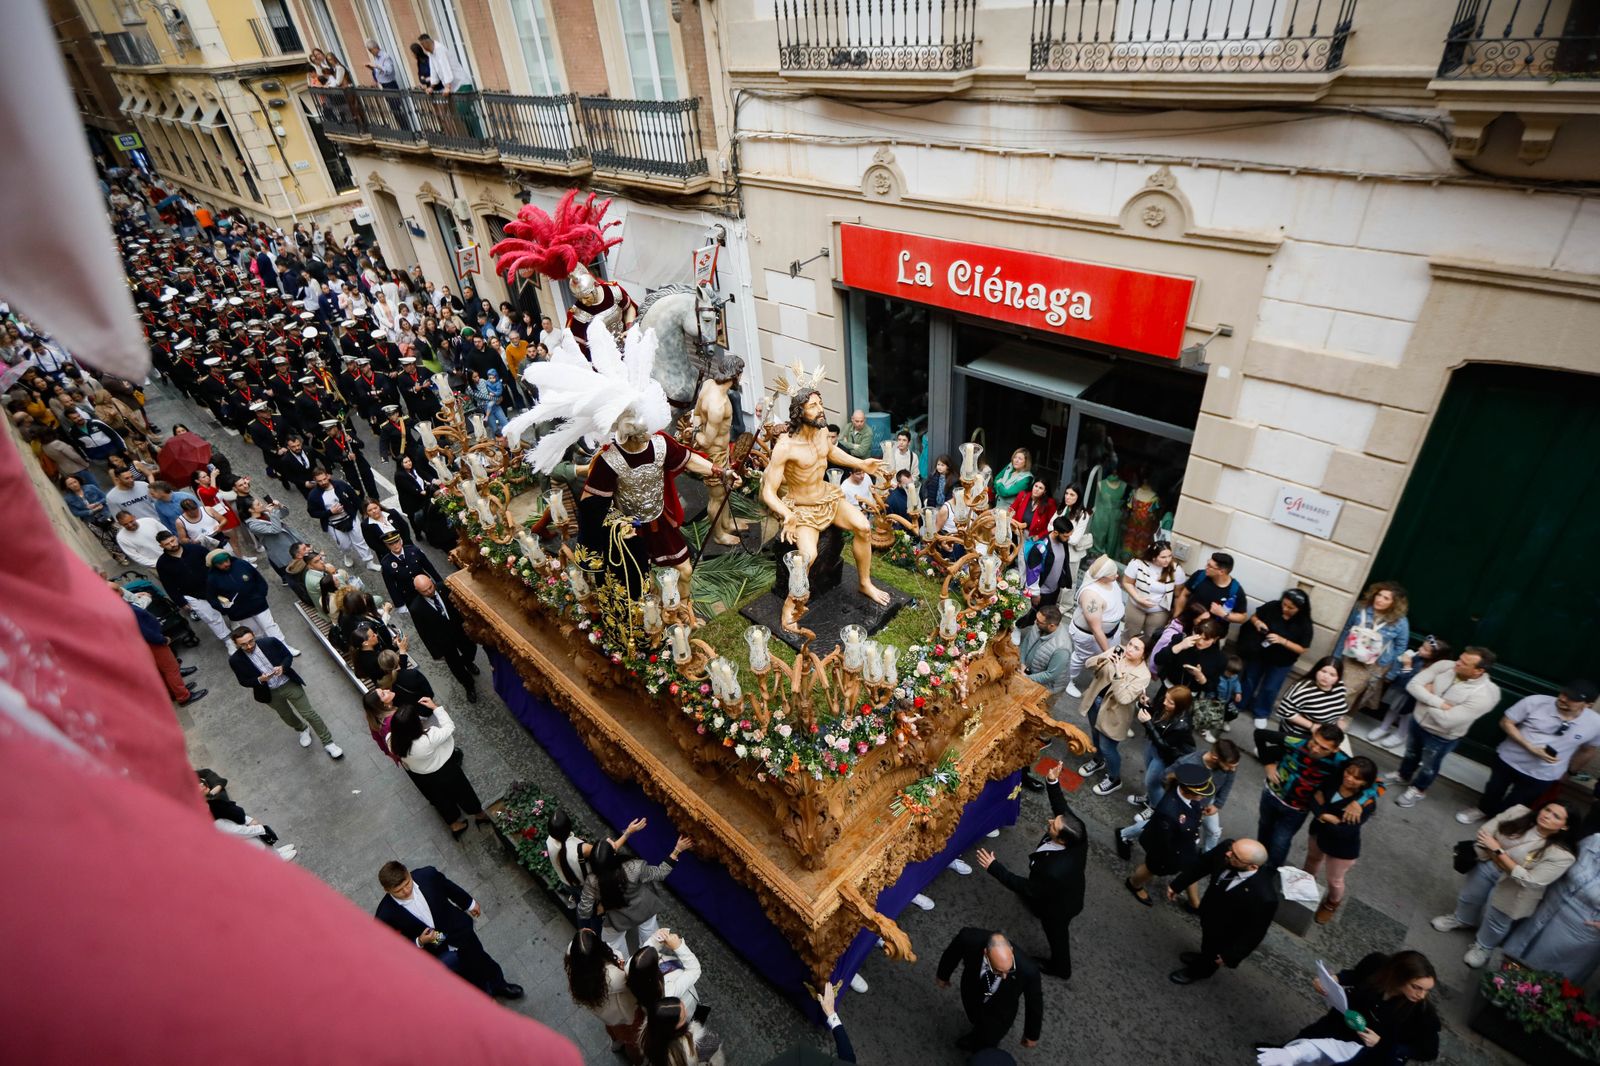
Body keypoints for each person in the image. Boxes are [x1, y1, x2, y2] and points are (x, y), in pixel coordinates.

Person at [1432, 801, 1577, 968]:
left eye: (1556, 816)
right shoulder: (1518, 812)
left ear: (1565, 826)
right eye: (1547, 809)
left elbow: (1529, 880)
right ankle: (1462, 919)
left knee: (1498, 918)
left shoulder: (1562, 855)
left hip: (1517, 887)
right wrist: (1506, 862)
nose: (1547, 815)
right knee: (1469, 896)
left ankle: (1483, 946)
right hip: (1488, 865)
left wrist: (1497, 850)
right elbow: (1485, 833)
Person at [974, 764, 1086, 979]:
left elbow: (1027, 887)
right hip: (1054, 891)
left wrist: (994, 867)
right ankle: (1036, 908)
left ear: (1061, 840)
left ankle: (1061, 968)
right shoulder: (1077, 833)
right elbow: (1061, 808)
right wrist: (1052, 781)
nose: (1050, 821)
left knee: (1056, 934)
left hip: (1058, 907)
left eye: (1053, 826)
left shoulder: (1055, 870)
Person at [1455, 680, 1599, 825]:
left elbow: (1588, 750)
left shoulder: (1595, 723)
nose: (1563, 698)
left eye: (1572, 699)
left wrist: (1570, 772)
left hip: (1545, 773)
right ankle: (1483, 810)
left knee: (1519, 802)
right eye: (1563, 693)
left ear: (1588, 705)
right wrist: (1529, 746)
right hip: (1509, 759)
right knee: (1494, 789)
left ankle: (1500, 824)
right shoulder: (1534, 702)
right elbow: (1506, 722)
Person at [375, 861, 524, 999]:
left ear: (408, 874)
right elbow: (390, 946)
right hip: (437, 949)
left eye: (407, 884)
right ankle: (482, 998)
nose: (406, 891)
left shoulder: (428, 875)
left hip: (457, 930)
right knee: (461, 977)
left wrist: (469, 904)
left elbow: (449, 888)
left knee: (481, 959)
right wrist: (419, 941)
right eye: (399, 890)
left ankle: (500, 985)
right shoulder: (385, 915)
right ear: (387, 890)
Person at [1266, 951, 1441, 1066]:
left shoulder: (1422, 1012)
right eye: (1417, 987)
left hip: (1371, 1051)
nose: (1421, 995)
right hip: (1344, 1021)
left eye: (1426, 990)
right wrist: (1335, 979)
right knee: (1310, 1036)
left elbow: (1429, 1051)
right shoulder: (1376, 964)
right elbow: (1356, 975)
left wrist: (1382, 1043)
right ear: (1397, 976)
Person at [1386, 647, 1501, 809]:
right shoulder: (1445, 665)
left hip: (1440, 736)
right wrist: (1440, 703)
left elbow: (1448, 721)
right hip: (1417, 722)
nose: (1457, 663)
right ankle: (1403, 775)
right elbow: (1412, 685)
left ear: (1478, 671)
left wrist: (1425, 696)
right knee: (1410, 754)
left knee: (1428, 766)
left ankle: (1419, 789)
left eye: (1464, 663)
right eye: (1460, 658)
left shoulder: (1486, 694)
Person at [1165, 838, 1279, 985]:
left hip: (1227, 930)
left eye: (1235, 857)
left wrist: (1230, 956)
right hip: (1209, 910)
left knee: (1213, 951)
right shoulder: (1227, 850)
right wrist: (1177, 885)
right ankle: (1204, 957)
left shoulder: (1264, 896)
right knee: (1207, 943)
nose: (1228, 853)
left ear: (1252, 867)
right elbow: (1201, 865)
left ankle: (1200, 971)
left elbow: (1255, 932)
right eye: (1232, 849)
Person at [1259, 724, 1367, 868]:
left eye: (1324, 748)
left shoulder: (1342, 761)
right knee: (1264, 827)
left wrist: (1359, 801)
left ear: (1335, 749)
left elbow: (1376, 782)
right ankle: (1257, 860)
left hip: (1297, 809)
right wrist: (1268, 764)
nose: (1315, 749)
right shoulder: (1296, 741)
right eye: (1315, 742)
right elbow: (1259, 734)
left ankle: (1269, 871)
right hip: (1270, 795)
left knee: (1281, 841)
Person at [1503, 828, 1600, 984]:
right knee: (1517, 951)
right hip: (1550, 903)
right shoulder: (1595, 840)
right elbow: (1568, 860)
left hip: (1581, 928)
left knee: (1546, 979)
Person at [227, 628, 341, 759]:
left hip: (288, 683)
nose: (249, 646)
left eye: (251, 641)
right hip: (269, 693)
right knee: (286, 716)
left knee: (309, 713)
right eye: (243, 644)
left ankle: (328, 742)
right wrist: (259, 680)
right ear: (236, 644)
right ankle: (302, 729)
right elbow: (243, 681)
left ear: (254, 635)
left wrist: (282, 667)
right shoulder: (235, 660)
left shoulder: (270, 642)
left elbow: (287, 656)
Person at [579, 830, 694, 957]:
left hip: (617, 920)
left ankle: (624, 966)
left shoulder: (592, 881)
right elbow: (660, 873)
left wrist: (600, 908)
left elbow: (584, 912)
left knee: (613, 948)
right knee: (651, 943)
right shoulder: (634, 867)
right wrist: (677, 849)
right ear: (614, 855)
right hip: (644, 910)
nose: (610, 840)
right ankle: (646, 959)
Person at [387, 699, 489, 838]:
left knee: (441, 800)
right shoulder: (429, 738)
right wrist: (436, 708)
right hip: (446, 770)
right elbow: (449, 727)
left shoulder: (391, 740)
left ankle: (454, 824)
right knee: (464, 793)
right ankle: (479, 815)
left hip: (423, 777)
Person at [1123, 760, 1213, 909]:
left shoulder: (1186, 796)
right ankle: (1134, 884)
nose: (1202, 797)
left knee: (1192, 869)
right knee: (1152, 868)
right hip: (1168, 852)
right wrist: (1170, 860)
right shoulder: (1169, 812)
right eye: (1200, 794)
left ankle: (1194, 903)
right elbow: (1163, 842)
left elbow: (1190, 814)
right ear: (1187, 791)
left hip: (1184, 845)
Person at [933, 928, 1043, 1051]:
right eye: (998, 970)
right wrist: (943, 975)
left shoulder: (1029, 970)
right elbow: (952, 954)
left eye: (1008, 969)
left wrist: (1031, 1034)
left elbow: (1034, 1002)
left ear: (1011, 951)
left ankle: (982, 1049)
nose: (1004, 975)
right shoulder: (968, 939)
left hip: (1001, 1009)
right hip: (973, 989)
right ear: (986, 953)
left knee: (990, 1036)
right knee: (974, 1014)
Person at [1302, 756, 1380, 925]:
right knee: (1312, 860)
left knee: (1334, 880)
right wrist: (1326, 815)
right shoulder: (1333, 780)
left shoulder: (1366, 803)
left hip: (1342, 847)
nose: (1349, 778)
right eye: (1348, 772)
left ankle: (1331, 903)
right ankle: (1303, 887)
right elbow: (1312, 800)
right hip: (1318, 833)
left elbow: (1344, 831)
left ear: (1365, 784)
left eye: (1357, 778)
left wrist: (1323, 812)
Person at [1075, 636, 1150, 797]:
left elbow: (1124, 698)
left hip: (1115, 714)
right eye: (1130, 644)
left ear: (1144, 655)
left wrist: (1117, 671)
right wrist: (1102, 657)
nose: (1129, 649)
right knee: (1095, 734)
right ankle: (1097, 760)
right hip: (1095, 701)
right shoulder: (1118, 651)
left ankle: (1114, 778)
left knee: (1108, 747)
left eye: (1136, 648)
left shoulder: (1143, 675)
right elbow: (1088, 664)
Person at [567, 928, 644, 1064]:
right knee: (633, 1041)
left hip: (603, 1012)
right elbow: (630, 978)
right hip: (623, 1015)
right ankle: (636, 1061)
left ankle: (615, 1044)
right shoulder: (612, 976)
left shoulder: (574, 962)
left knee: (612, 1029)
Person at [1240, 589, 1315, 728]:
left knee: (1270, 688)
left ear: (1300, 608)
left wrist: (1282, 641)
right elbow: (1254, 617)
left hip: (1283, 660)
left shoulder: (1305, 623)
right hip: (1260, 652)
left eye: (1290, 608)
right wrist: (1258, 623)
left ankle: (1261, 713)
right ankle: (1240, 703)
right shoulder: (1273, 606)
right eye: (1284, 604)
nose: (1285, 608)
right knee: (1249, 679)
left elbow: (1303, 648)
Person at [1334, 581, 1411, 714]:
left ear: (1395, 603)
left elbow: (1401, 647)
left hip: (1376, 664)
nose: (1379, 599)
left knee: (1359, 695)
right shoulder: (1360, 608)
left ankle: (1341, 720)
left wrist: (1392, 672)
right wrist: (1336, 655)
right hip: (1352, 657)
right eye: (1379, 595)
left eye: (1386, 598)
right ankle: (1332, 719)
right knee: (1345, 690)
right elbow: (1346, 630)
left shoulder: (1400, 621)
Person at [205, 550, 300, 655]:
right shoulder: (212, 578)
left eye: (226, 560)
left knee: (270, 626)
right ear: (214, 565)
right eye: (221, 563)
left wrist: (261, 595)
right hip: (239, 613)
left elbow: (258, 579)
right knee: (255, 633)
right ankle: (268, 651)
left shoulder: (241, 564)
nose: (226, 564)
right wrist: (226, 610)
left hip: (258, 604)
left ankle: (285, 648)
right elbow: (211, 598)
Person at [408, 574, 481, 702]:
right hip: (443, 640)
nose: (430, 591)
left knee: (470, 649)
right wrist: (435, 652)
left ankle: (468, 662)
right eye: (425, 591)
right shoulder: (416, 608)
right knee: (455, 666)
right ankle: (469, 686)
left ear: (431, 581)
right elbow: (423, 632)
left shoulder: (445, 587)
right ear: (417, 591)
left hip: (460, 631)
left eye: (430, 587)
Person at [1063, 555, 1124, 698]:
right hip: (1089, 636)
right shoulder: (1091, 596)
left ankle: (1102, 679)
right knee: (1080, 657)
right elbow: (1096, 629)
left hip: (1112, 632)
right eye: (1113, 574)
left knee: (1102, 659)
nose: (1117, 575)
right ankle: (1067, 680)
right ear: (1102, 577)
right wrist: (1108, 651)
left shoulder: (1111, 581)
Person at [154, 530, 231, 641]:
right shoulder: (162, 564)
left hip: (214, 587)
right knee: (212, 618)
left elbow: (213, 564)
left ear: (175, 537)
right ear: (161, 545)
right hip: (192, 595)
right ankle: (227, 640)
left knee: (229, 607)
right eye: (167, 544)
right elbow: (168, 585)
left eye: (172, 540)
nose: (172, 544)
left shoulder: (195, 549)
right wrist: (181, 602)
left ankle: (236, 625)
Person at [130, 599, 206, 706]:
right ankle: (183, 696)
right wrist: (162, 639)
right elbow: (146, 631)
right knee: (171, 668)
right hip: (152, 643)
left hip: (142, 644)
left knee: (162, 670)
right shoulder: (129, 610)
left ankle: (174, 692)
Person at [305, 467, 377, 571]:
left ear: (328, 476)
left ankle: (369, 562)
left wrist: (364, 513)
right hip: (334, 524)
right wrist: (330, 512)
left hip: (350, 518)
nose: (323, 482)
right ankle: (347, 555)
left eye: (324, 479)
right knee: (345, 545)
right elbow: (312, 512)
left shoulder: (340, 484)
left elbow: (355, 498)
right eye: (319, 481)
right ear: (315, 480)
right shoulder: (313, 495)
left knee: (360, 541)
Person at [626, 929, 703, 1023]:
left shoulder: (632, 966)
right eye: (657, 958)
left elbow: (645, 952)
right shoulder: (667, 991)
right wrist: (679, 947)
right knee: (690, 1018)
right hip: (684, 1006)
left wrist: (657, 939)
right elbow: (694, 970)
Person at [1171, 551, 1248, 639]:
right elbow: (1184, 594)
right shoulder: (1200, 576)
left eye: (1210, 566)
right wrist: (1176, 617)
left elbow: (1243, 617)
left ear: (1221, 572)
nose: (1206, 567)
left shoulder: (1235, 591)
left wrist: (1223, 614)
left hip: (1209, 636)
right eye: (1207, 563)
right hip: (1185, 625)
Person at [1120, 541, 1185, 644]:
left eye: (1169, 556)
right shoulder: (1137, 564)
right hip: (1136, 606)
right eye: (1163, 557)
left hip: (1159, 610)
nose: (1167, 560)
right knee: (1130, 635)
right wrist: (1137, 598)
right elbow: (1127, 582)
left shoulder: (1176, 570)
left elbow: (1178, 595)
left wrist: (1175, 616)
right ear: (1153, 557)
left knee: (1152, 638)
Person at [1273, 657, 1350, 742]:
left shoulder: (1340, 687)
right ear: (1316, 671)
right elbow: (1286, 712)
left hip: (1325, 735)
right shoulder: (1303, 689)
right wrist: (1312, 726)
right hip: (1299, 734)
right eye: (1323, 671)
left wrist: (1340, 720)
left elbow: (1339, 705)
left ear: (1337, 678)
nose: (1326, 676)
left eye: (1332, 675)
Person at [641, 998, 723, 1066]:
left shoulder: (647, 1033)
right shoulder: (695, 1046)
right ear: (673, 1028)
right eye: (683, 1018)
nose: (687, 1014)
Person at [1017, 605, 1073, 703]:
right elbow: (1026, 643)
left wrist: (1026, 678)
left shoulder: (1062, 648)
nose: (1035, 622)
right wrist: (1022, 663)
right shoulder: (1039, 625)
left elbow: (1050, 675)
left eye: (1039, 622)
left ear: (1051, 626)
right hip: (1027, 674)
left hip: (1047, 689)